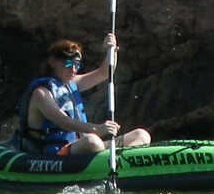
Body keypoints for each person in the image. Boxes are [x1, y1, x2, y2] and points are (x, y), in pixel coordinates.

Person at [11, 38, 150, 158]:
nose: (73, 70)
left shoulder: (72, 84)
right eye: (68, 64)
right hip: (54, 153)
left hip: (81, 147)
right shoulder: (41, 93)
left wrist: (111, 50)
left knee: (141, 135)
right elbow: (63, 121)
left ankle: (121, 162)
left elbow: (104, 73)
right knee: (92, 142)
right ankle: (108, 161)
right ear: (53, 62)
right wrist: (97, 129)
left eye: (77, 65)